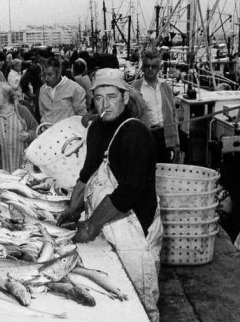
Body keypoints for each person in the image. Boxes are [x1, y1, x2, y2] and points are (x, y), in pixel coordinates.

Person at [57, 69, 162, 322]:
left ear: (125, 98)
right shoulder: (95, 130)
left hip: (135, 234)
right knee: (111, 306)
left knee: (139, 306)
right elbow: (87, 174)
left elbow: (129, 192)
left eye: (111, 96)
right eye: (99, 98)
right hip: (107, 227)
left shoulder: (135, 133)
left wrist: (92, 224)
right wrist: (73, 209)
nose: (105, 104)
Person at [131, 49, 180, 163]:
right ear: (142, 67)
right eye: (147, 65)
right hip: (145, 136)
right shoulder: (135, 88)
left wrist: (176, 142)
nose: (150, 69)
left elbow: (173, 114)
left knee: (164, 170)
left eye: (154, 66)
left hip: (164, 136)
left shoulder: (165, 86)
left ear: (159, 68)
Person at [0, 83, 38, 172]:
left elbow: (35, 129)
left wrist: (28, 135)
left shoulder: (22, 111)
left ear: (6, 97)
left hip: (21, 163)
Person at [38, 57, 87, 125]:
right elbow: (42, 112)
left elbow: (82, 115)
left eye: (50, 75)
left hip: (67, 132)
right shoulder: (43, 89)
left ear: (59, 73)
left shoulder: (75, 89)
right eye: (44, 74)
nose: (46, 78)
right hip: (47, 131)